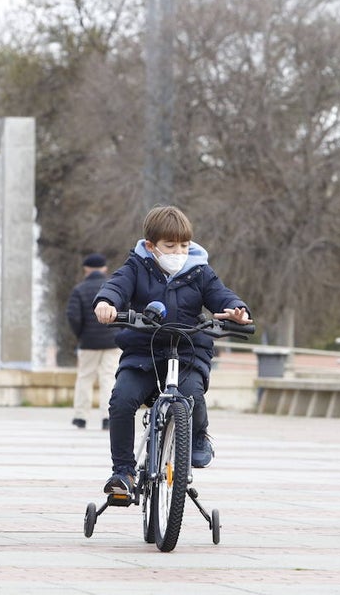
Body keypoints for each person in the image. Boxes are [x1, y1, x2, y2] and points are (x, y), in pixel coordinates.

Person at [92, 205, 252, 497]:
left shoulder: (200, 271)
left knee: (193, 396)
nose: (178, 251)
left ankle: (199, 437)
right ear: (152, 246)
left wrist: (236, 310)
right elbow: (116, 285)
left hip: (188, 353)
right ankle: (123, 472)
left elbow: (221, 295)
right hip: (144, 354)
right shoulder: (137, 266)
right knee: (121, 401)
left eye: (184, 245)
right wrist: (107, 303)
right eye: (170, 245)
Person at [66, 253, 120, 430]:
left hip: (88, 342)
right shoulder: (114, 288)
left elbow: (73, 316)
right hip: (112, 341)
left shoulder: (79, 289)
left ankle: (80, 417)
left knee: (84, 378)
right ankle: (107, 418)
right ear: (104, 268)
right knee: (109, 378)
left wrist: (81, 335)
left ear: (86, 269)